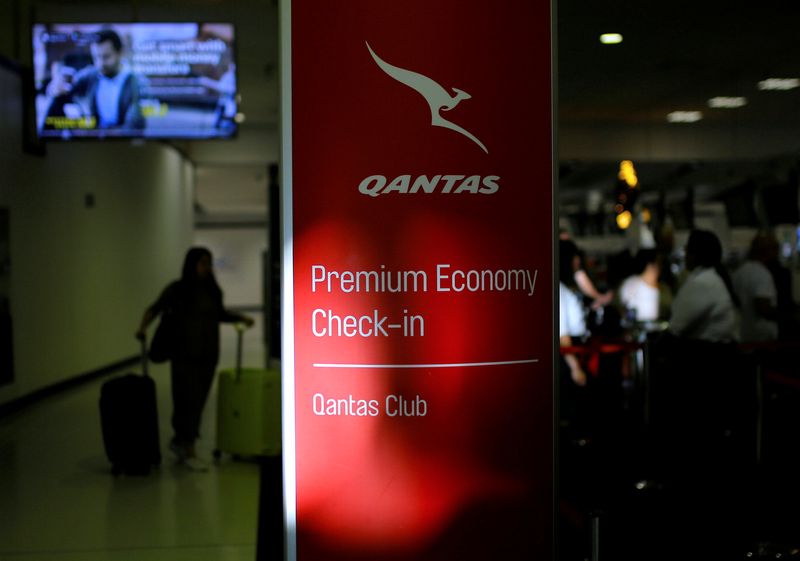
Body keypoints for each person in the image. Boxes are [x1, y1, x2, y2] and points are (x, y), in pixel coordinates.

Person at [136, 247, 254, 471]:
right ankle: (187, 447)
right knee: (185, 400)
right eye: (202, 263)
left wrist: (241, 317)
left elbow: (220, 314)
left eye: (208, 263)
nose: (206, 268)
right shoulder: (177, 290)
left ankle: (181, 442)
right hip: (183, 355)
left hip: (208, 355)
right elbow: (154, 309)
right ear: (191, 265)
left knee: (199, 401)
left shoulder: (212, 291)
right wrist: (142, 328)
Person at [45, 29, 145, 131]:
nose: (100, 64)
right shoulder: (92, 74)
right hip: (94, 137)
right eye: (96, 57)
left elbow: (133, 127)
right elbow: (62, 87)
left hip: (121, 142)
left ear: (120, 53)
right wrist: (56, 86)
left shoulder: (136, 82)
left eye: (106, 57)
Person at [669, 229, 738, 342]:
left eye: (687, 250)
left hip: (706, 354)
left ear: (695, 255)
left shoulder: (703, 282)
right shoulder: (711, 278)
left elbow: (676, 327)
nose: (685, 255)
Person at [733, 231, 779, 342]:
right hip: (762, 339)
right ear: (766, 250)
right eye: (775, 248)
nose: (777, 253)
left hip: (744, 335)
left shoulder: (740, 271)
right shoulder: (762, 274)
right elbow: (763, 307)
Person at [559, 239, 588, 387]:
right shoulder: (559, 289)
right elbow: (562, 336)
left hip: (571, 353)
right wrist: (576, 368)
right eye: (574, 257)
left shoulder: (563, 287)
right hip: (567, 357)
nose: (578, 261)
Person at [617, 248, 661, 324]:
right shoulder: (631, 284)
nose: (660, 268)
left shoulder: (662, 288)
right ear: (650, 266)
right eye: (658, 264)